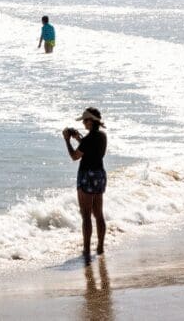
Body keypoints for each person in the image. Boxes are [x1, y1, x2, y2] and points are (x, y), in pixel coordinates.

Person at [63, 108, 108, 264]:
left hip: (87, 176)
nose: (83, 123)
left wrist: (67, 140)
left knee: (86, 215)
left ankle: (87, 249)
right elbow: (90, 149)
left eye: (85, 120)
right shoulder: (102, 136)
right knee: (98, 214)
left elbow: (75, 156)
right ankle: (100, 247)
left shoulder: (89, 139)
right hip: (99, 174)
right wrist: (78, 139)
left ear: (91, 120)